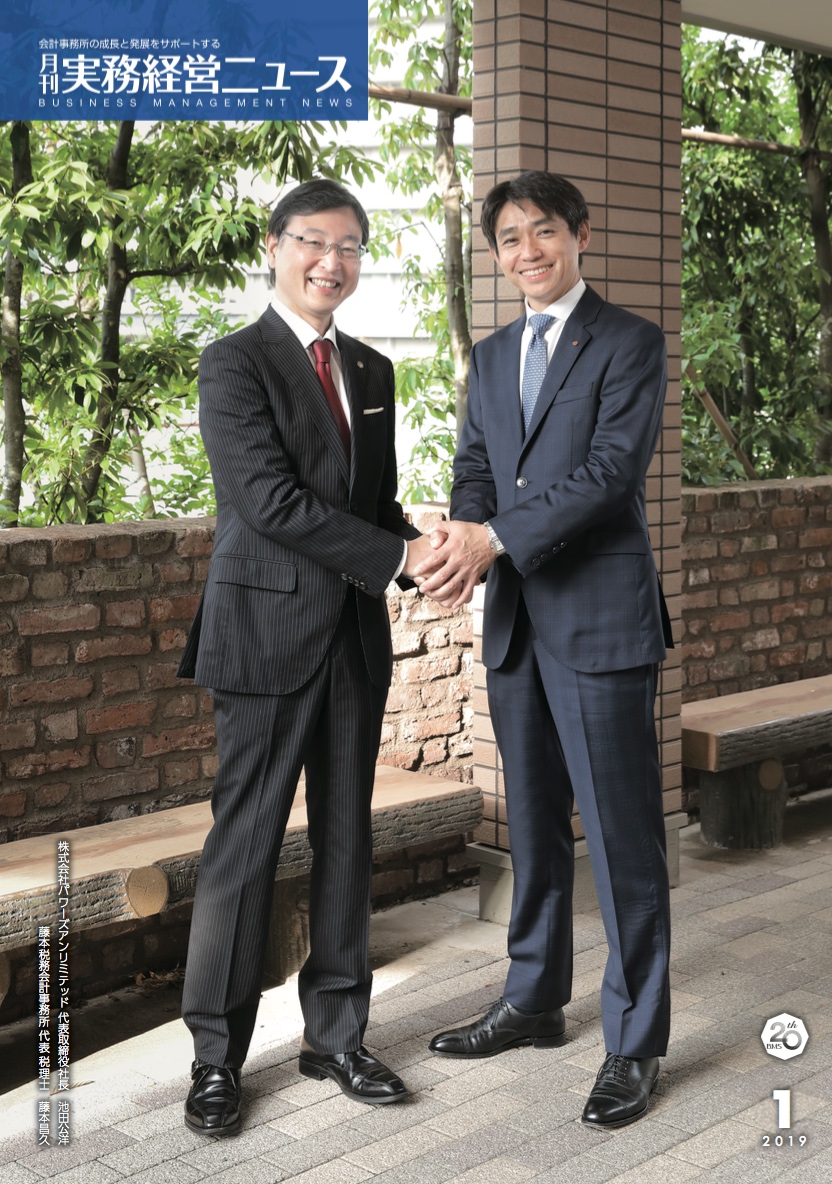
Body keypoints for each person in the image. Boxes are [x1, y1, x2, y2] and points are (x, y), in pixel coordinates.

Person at [177, 179, 437, 1135]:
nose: (333, 261)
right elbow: (269, 502)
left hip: (352, 640)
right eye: (313, 242)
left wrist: (429, 551)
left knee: (346, 840)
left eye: (351, 246)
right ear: (274, 247)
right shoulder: (234, 364)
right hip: (262, 638)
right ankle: (215, 1058)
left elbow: (373, 506)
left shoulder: (372, 370)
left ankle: (336, 1037)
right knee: (244, 846)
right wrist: (398, 558)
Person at [417, 171, 673, 1129]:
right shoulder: (490, 358)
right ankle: (533, 1002)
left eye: (545, 232)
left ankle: (635, 1041)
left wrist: (493, 539)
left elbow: (610, 475)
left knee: (622, 839)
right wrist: (461, 538)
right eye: (510, 239)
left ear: (580, 235)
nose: (528, 251)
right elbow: (475, 468)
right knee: (532, 829)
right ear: (497, 255)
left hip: (601, 620)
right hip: (518, 623)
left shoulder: (630, 342)